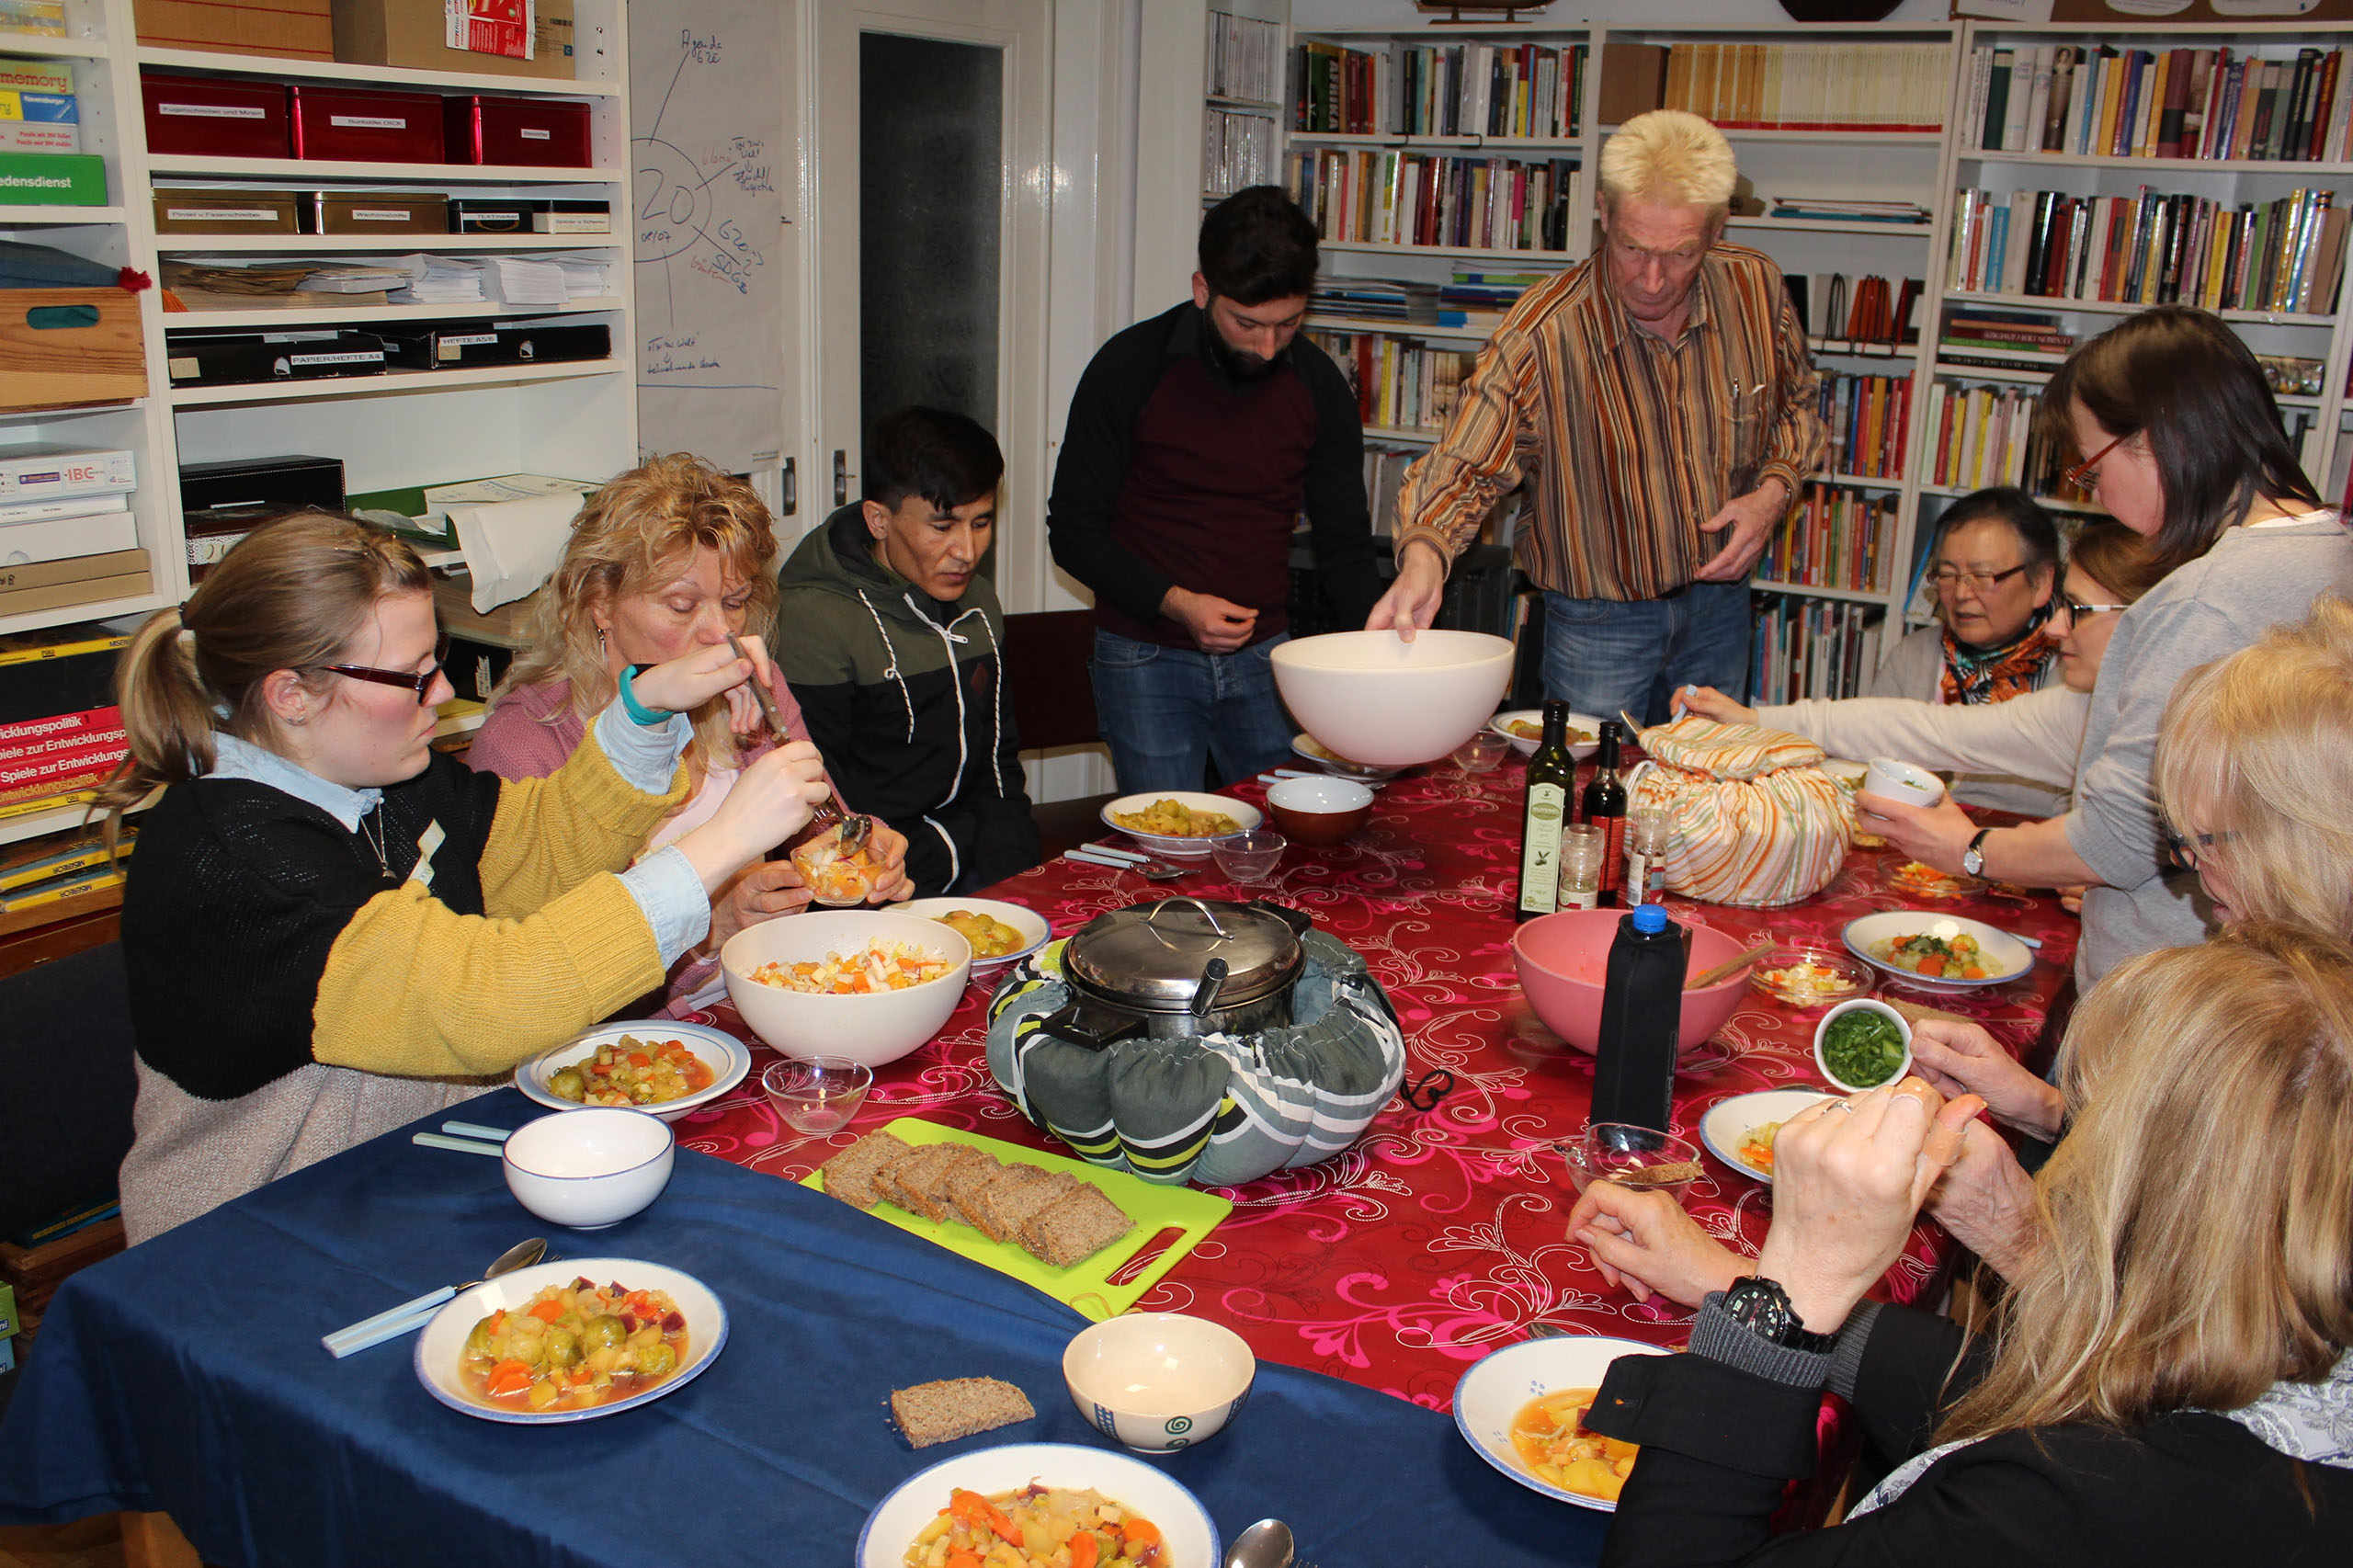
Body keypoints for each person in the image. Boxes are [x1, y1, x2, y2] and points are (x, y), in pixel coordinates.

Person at [104, 513, 830, 1241]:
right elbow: (487, 1001)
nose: (444, 691)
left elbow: (536, 852)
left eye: (437, 660)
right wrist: (721, 844)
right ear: (291, 694)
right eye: (412, 676)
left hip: (408, 1181)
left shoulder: (387, 780)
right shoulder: (237, 862)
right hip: (259, 1231)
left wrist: (644, 710)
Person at [1566, 925, 2353, 1563]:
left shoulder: (2076, 1504)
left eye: (2096, 1120)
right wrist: (1730, 1280)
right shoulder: (2284, 1375)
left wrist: (1791, 1290)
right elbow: (2015, 1381)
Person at [1855, 306, 2353, 986]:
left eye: (2092, 470)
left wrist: (1969, 848)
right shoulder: (2330, 551)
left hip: (2167, 982)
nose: (2101, 498)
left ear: (2157, 440)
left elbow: (2121, 837)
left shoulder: (2205, 597)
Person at [1897, 590, 2353, 1281]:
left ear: (2311, 840)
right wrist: (2043, 1106)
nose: (2192, 872)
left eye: (2208, 842)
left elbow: (2187, 1338)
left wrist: (2017, 1239)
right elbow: (2177, 1186)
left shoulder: (2306, 1051)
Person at [1368, 110, 1824, 724]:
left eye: (1681, 253)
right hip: (1598, 623)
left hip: (1720, 604)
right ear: (1604, 214)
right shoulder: (1544, 331)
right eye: (1633, 248)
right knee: (1587, 781)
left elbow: (1799, 405)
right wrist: (1425, 556)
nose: (1653, 280)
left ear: (1718, 229)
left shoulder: (1754, 288)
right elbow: (1465, 463)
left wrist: (1773, 494)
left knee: (1709, 777)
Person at [470, 455, 910, 1009]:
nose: (720, 633)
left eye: (735, 603)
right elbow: (537, 990)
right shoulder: (523, 744)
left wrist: (858, 850)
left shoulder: (750, 690)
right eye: (681, 606)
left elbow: (821, 824)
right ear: (600, 603)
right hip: (629, 1034)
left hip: (758, 999)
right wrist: (710, 931)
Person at [1045, 184, 1381, 790]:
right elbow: (1072, 532)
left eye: (1288, 324)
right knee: (1167, 836)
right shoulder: (1130, 367)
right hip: (1145, 656)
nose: (1267, 347)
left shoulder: (1317, 385)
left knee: (1284, 829)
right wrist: (1175, 601)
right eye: (1246, 323)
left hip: (1268, 655)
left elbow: (1345, 543)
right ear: (1203, 290)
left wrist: (1382, 656)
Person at [1677, 521, 2162, 809]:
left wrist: (1979, 850)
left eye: (2077, 610)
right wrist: (1756, 719)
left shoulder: (2168, 727)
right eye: (1948, 574)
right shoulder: (2077, 708)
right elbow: (1921, 729)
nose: (2057, 627)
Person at [773, 406, 1040, 896]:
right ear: (878, 520)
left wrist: (1017, 882)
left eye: (981, 523)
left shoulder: (977, 601)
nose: (967, 551)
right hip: (880, 881)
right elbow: (823, 808)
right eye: (942, 526)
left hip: (978, 860)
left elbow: (999, 760)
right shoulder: (814, 620)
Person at [1866, 488, 2065, 813]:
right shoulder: (1913, 657)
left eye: (1982, 576)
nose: (1960, 593)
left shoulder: (2072, 675)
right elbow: (1869, 764)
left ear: (2041, 581)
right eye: (1947, 575)